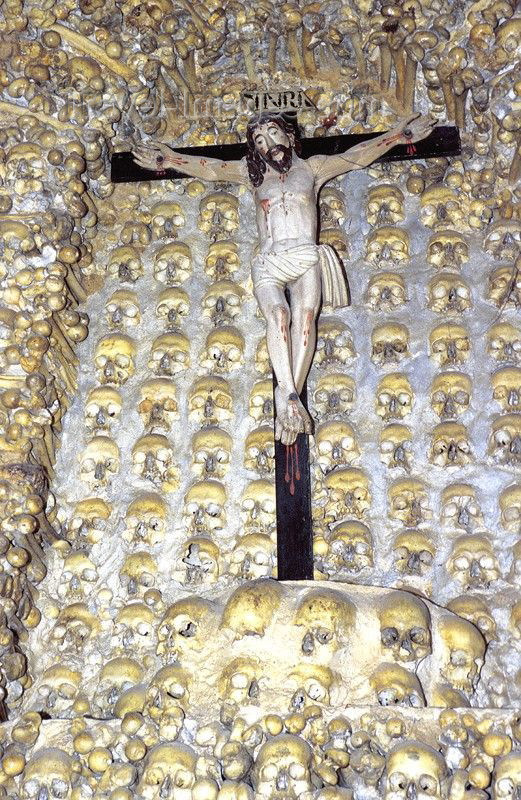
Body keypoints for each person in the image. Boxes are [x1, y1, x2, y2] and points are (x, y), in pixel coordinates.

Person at [132, 111, 435, 445]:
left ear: (290, 137)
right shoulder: (252, 173)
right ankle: (289, 393)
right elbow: (211, 168)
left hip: (305, 254)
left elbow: (355, 157)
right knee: (279, 315)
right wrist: (169, 158)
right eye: (260, 141)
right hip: (270, 260)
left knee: (306, 318)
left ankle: (288, 396)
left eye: (274, 135)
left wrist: (399, 135)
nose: (269, 145)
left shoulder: (312, 168)